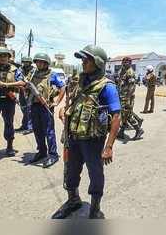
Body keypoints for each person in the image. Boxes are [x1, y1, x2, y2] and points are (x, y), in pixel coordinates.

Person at [52, 45, 121, 219]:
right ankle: (73, 199)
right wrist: (63, 111)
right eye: (82, 59)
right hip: (74, 137)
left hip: (93, 140)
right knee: (71, 171)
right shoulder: (79, 81)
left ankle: (95, 208)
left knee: (95, 173)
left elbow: (116, 116)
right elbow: (73, 103)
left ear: (97, 62)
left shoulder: (107, 86)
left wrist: (109, 146)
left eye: (86, 59)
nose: (82, 62)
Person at [27, 53, 66, 168]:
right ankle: (42, 151)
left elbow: (63, 87)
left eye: (42, 62)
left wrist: (57, 102)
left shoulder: (52, 75)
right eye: (37, 61)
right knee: (37, 130)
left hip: (46, 106)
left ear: (46, 63)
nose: (39, 63)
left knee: (49, 131)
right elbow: (26, 84)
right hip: (34, 105)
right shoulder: (33, 73)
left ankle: (53, 154)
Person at [116, 57, 144, 140]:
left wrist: (128, 99)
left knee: (127, 115)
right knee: (124, 115)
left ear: (130, 63)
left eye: (127, 62)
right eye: (123, 62)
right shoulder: (122, 71)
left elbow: (132, 87)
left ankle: (139, 130)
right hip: (121, 96)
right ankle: (121, 132)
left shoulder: (130, 72)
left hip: (127, 97)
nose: (124, 63)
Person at [15, 56, 35, 135]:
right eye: (24, 62)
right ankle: (24, 125)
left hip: (30, 92)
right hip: (21, 91)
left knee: (29, 110)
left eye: (27, 62)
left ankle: (30, 127)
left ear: (30, 63)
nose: (25, 63)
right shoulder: (20, 69)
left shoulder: (34, 70)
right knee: (23, 109)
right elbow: (17, 78)